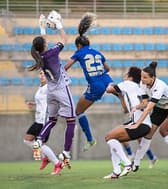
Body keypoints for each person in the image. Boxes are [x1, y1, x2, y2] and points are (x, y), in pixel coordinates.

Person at [30, 11, 76, 174]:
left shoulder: (39, 56)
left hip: (50, 91)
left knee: (52, 120)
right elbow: (64, 40)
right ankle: (66, 151)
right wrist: (59, 26)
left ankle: (39, 139)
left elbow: (42, 43)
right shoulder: (51, 53)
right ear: (44, 46)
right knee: (71, 120)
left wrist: (42, 29)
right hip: (62, 89)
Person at [64, 13, 113, 151]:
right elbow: (107, 69)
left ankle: (90, 139)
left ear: (79, 45)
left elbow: (66, 67)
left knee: (78, 111)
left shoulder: (79, 53)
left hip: (95, 85)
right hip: (106, 81)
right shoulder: (97, 52)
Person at [104, 66, 152, 179]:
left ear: (129, 77)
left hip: (139, 123)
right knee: (113, 138)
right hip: (142, 123)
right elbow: (126, 110)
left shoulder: (127, 84)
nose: (124, 76)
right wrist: (120, 95)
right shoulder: (135, 87)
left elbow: (108, 89)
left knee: (109, 137)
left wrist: (107, 81)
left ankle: (127, 163)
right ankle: (116, 172)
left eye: (126, 74)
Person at [24, 70, 63, 174]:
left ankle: (57, 163)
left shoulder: (48, 87)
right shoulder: (40, 87)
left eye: (44, 74)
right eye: (41, 73)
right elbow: (43, 102)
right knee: (28, 141)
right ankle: (45, 158)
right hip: (38, 120)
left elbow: (56, 98)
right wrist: (34, 103)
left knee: (39, 144)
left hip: (44, 121)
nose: (42, 76)